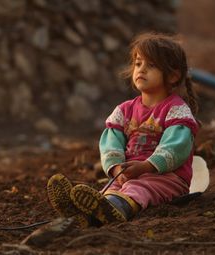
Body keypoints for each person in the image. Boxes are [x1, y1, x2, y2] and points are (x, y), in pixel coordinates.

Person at [47, 32, 199, 228]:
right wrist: (117, 167)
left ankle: (112, 209)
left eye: (151, 65)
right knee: (111, 190)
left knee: (138, 188)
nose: (141, 70)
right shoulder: (124, 110)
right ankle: (85, 214)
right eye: (138, 64)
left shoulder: (176, 110)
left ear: (172, 75)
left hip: (166, 178)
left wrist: (146, 167)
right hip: (128, 173)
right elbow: (111, 143)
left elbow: (176, 147)